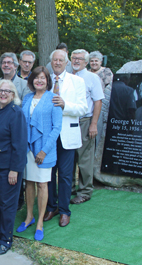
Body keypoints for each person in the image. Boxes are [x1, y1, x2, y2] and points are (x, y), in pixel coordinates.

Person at [17, 66, 62, 242]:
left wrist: (44, 151)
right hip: (27, 148)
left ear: (48, 81)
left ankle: (40, 223)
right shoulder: (27, 98)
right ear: (32, 80)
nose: (39, 81)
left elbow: (56, 128)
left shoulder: (54, 99)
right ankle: (29, 217)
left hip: (44, 150)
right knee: (28, 182)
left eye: (43, 78)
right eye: (36, 78)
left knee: (42, 185)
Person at [0, 79, 28, 255]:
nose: (3, 93)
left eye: (7, 91)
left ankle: (7, 239)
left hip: (7, 169)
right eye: (0, 90)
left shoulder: (16, 113)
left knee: (7, 205)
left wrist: (15, 170)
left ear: (13, 94)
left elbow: (20, 144)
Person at [43, 50, 87, 228]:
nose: (58, 62)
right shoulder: (44, 79)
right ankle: (51, 207)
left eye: (61, 60)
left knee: (66, 175)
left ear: (66, 62)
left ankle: (64, 211)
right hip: (48, 135)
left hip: (67, 135)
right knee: (49, 174)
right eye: (55, 60)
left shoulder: (77, 81)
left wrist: (65, 105)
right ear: (51, 61)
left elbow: (83, 108)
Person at [70, 49, 104, 205]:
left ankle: (85, 191)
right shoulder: (67, 76)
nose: (76, 61)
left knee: (84, 159)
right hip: (69, 122)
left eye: (80, 59)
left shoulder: (92, 78)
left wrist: (93, 124)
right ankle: (69, 188)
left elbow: (98, 101)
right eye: (74, 58)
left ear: (86, 61)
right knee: (69, 158)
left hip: (85, 122)